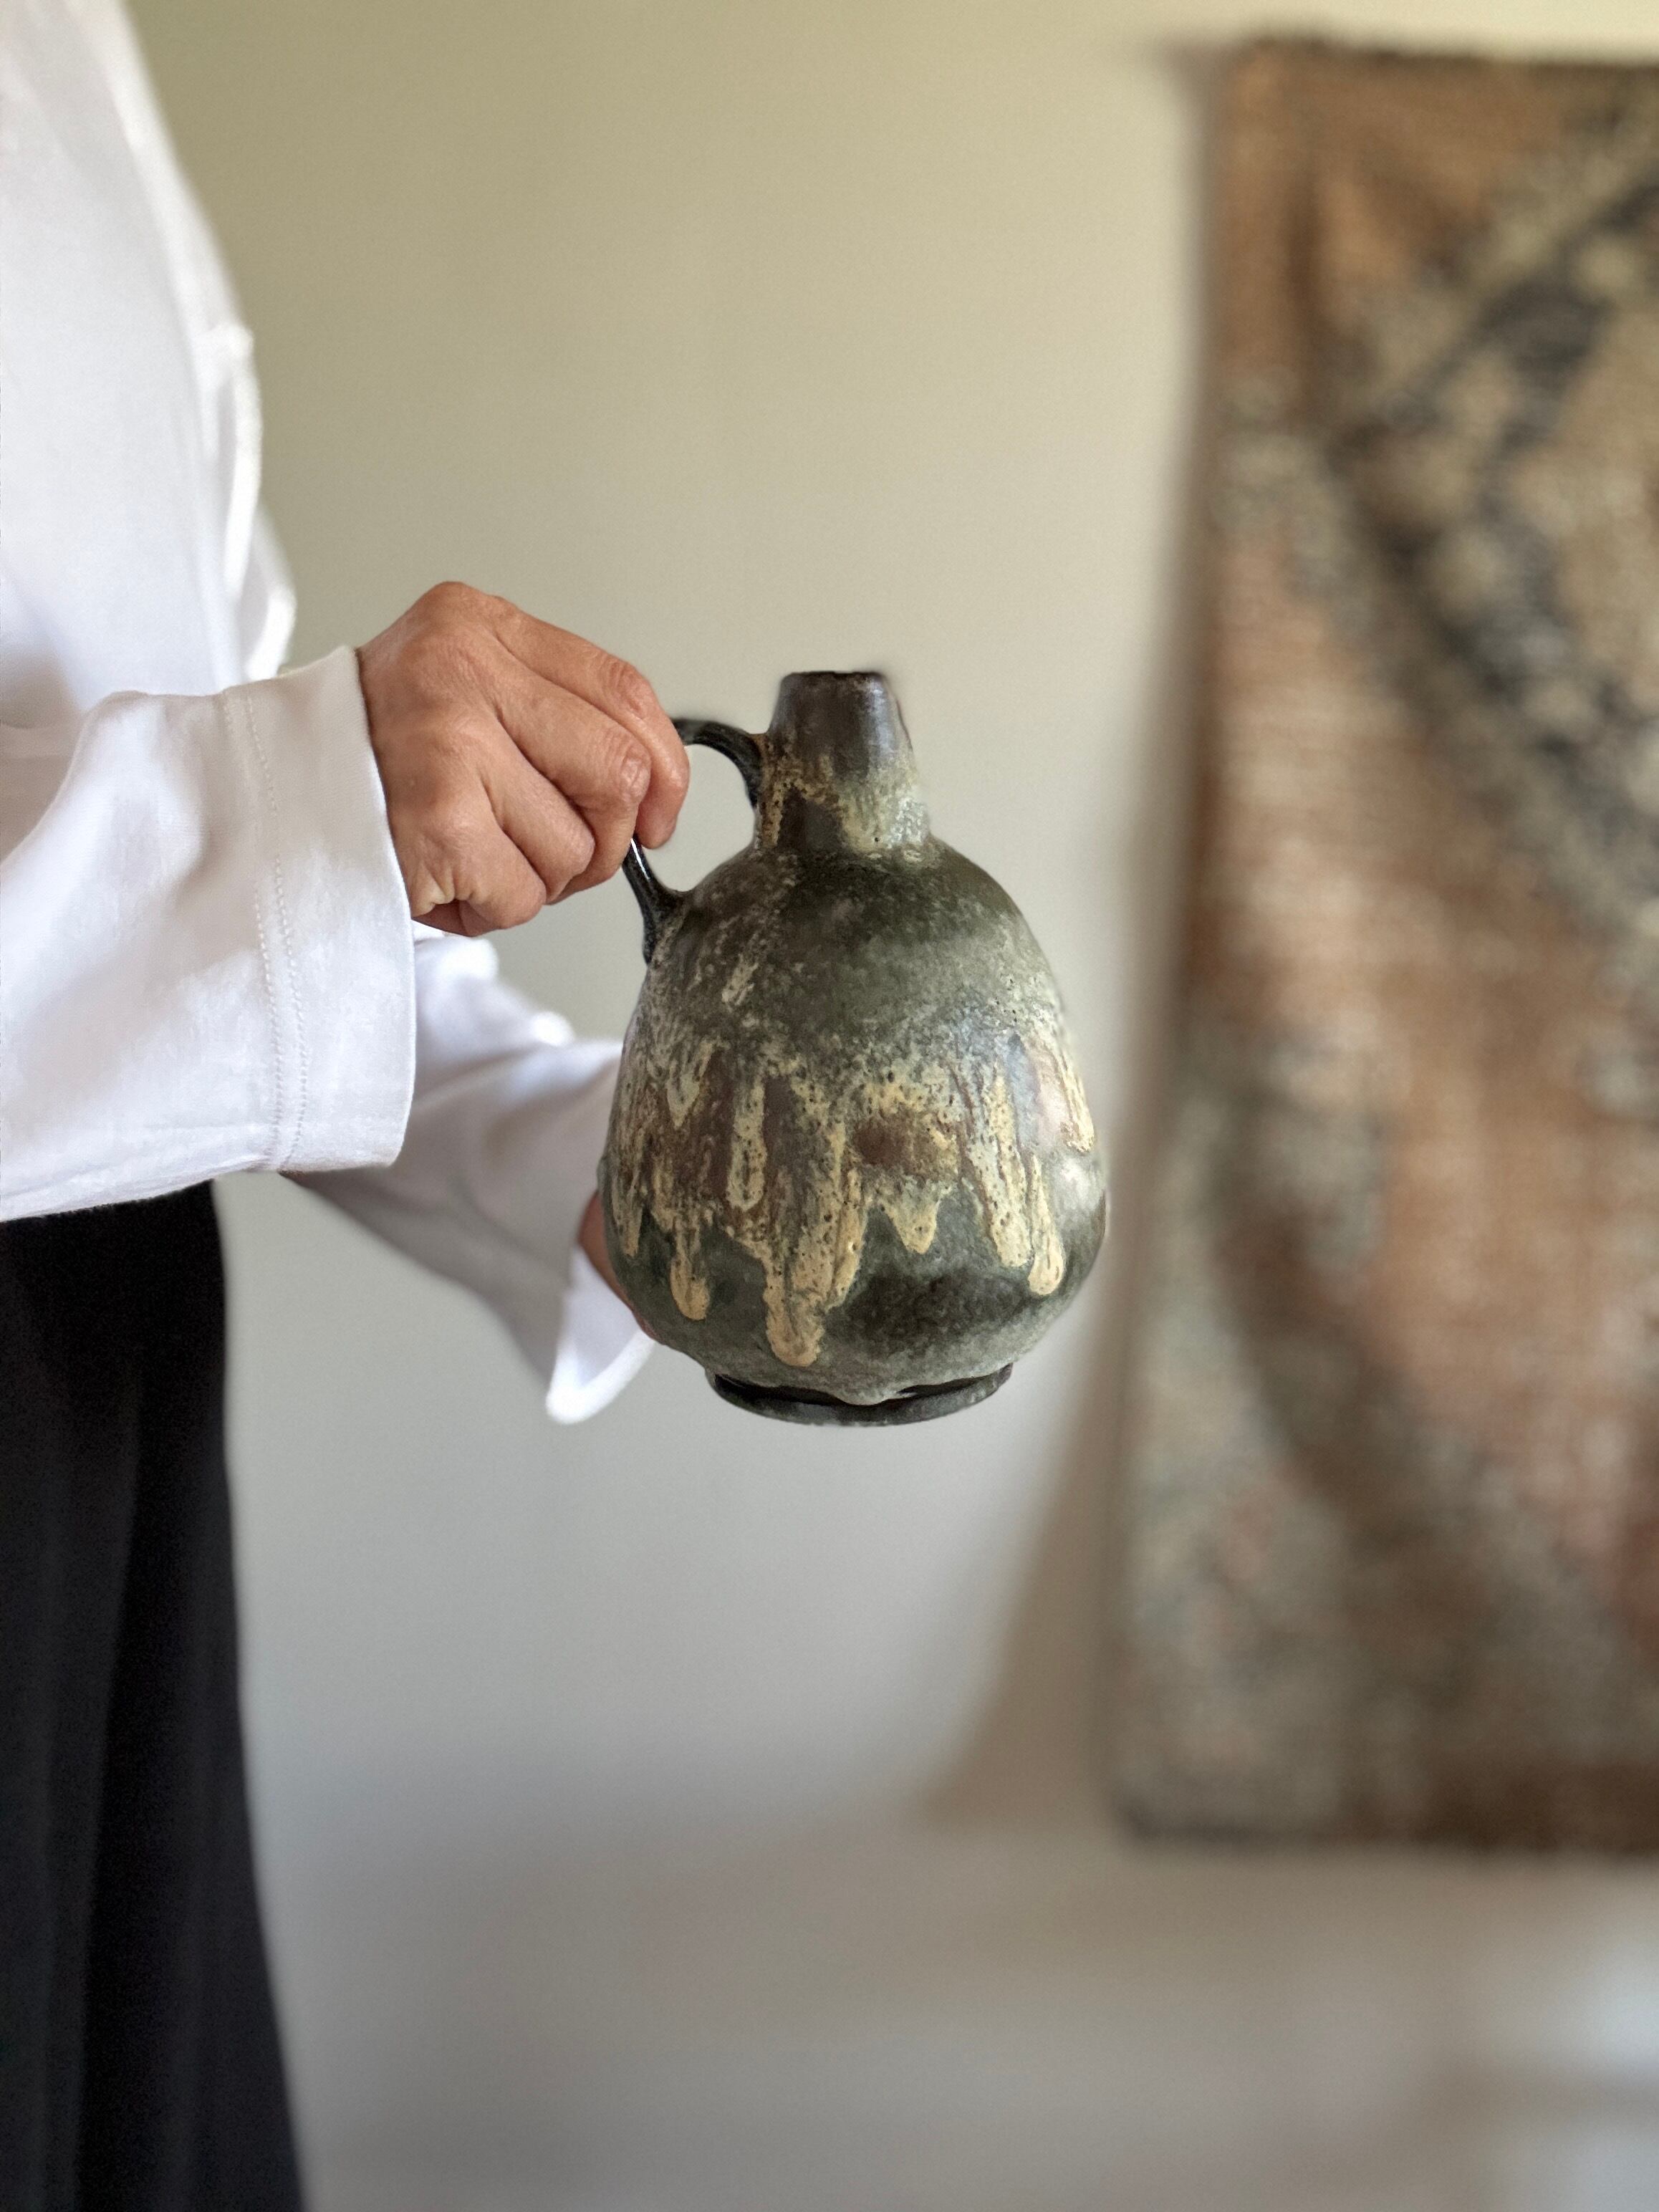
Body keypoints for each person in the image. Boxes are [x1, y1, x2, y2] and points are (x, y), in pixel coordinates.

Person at [0, 1, 688, 2203]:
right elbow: (241, 825)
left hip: (89, 1412)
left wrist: (629, 1179)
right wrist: (299, 803)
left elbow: (204, 805)